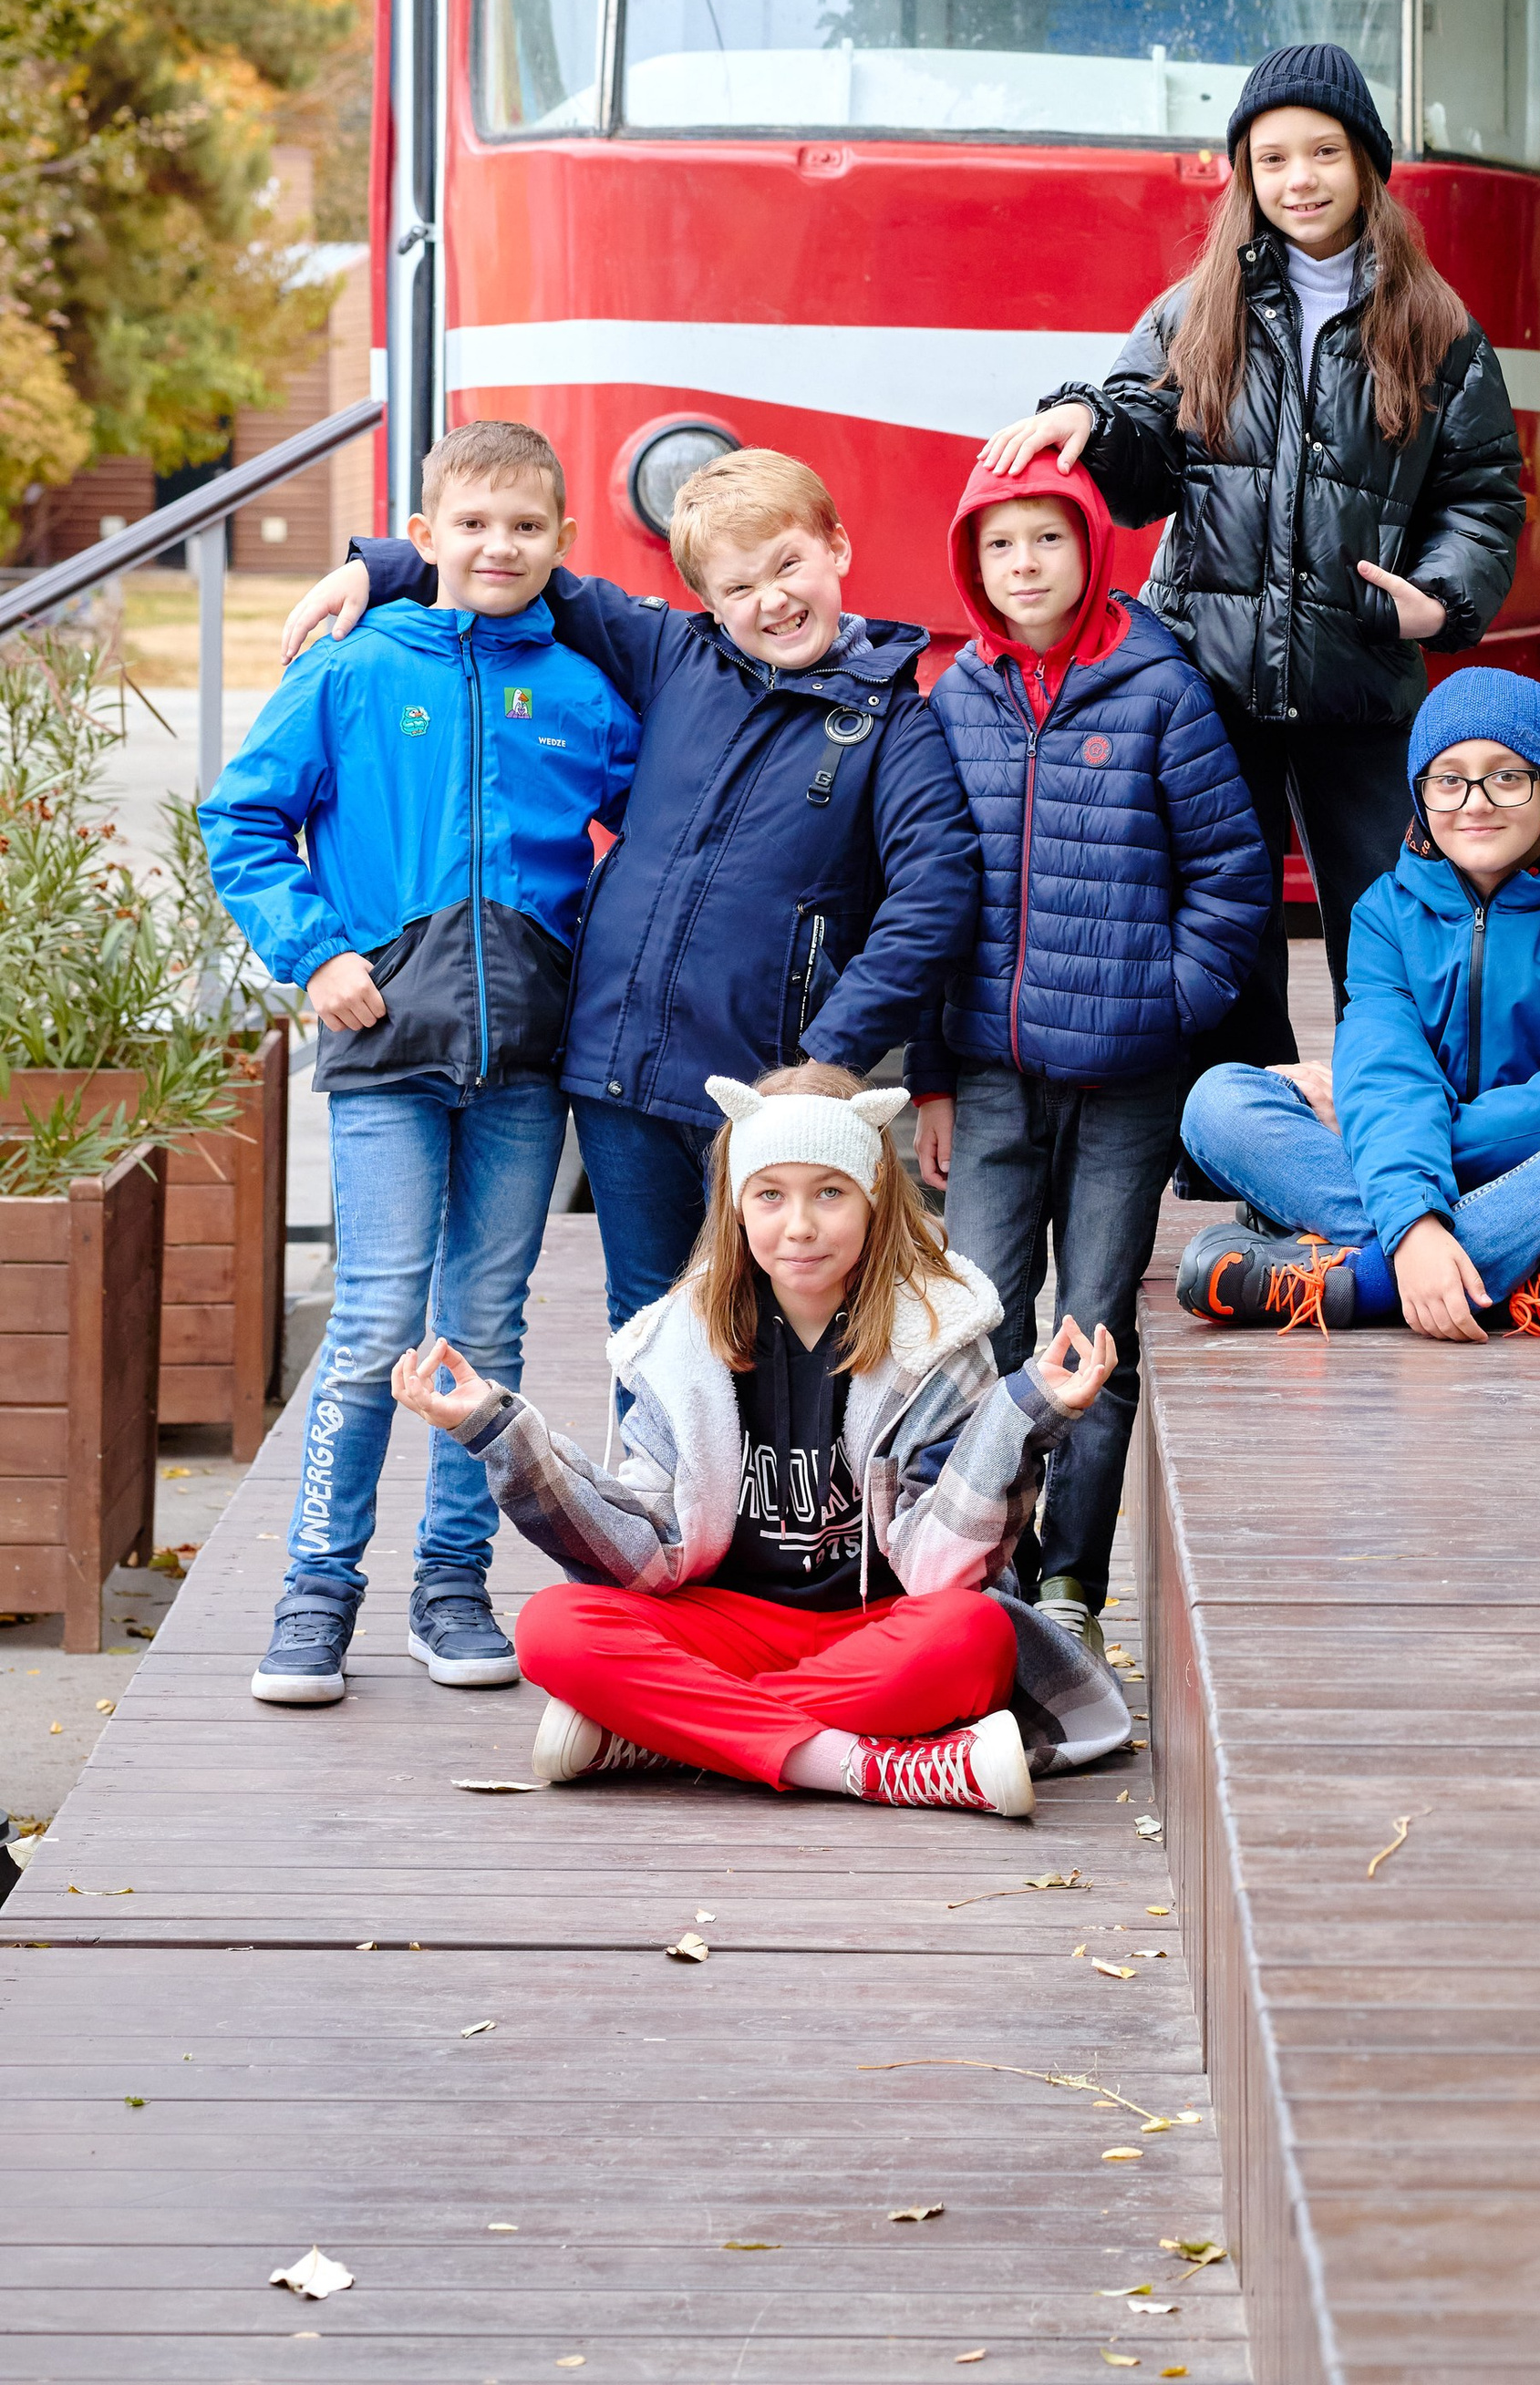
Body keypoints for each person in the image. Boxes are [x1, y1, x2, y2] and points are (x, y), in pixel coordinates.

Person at [279, 447, 981, 1332]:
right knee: (647, 1328)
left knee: (779, 1318)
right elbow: (518, 571)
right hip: (616, 1078)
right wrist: (380, 567)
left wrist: (829, 1058)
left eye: (789, 566)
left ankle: (772, 1478)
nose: (771, 601)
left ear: (836, 546)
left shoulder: (893, 725)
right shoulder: (673, 654)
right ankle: (653, 1481)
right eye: (738, 588)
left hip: (768, 1087)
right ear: (709, 603)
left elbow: (934, 897)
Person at [981, 38, 1524, 1086]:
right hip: (1206, 672)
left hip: (1361, 672)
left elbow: (1483, 494)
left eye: (1322, 152)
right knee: (1223, 908)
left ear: (1367, 165)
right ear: (1245, 174)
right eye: (1272, 159)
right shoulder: (1193, 311)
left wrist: (1438, 602)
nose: (1299, 179)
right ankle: (1238, 1130)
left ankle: (1389, 1114)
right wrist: (1086, 421)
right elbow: (1141, 461)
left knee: (1387, 915)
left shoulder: (1438, 327)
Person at [202, 420, 639, 1707]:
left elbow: (662, 834)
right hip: (384, 1047)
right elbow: (241, 818)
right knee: (374, 1321)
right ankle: (316, 1587)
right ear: (425, 535)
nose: (496, 547)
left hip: (524, 1070)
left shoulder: (581, 694)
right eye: (471, 524)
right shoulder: (353, 666)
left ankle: (450, 1584)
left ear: (561, 544)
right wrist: (315, 951)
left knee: (481, 1331)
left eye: (523, 528)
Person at [388, 1065, 1132, 1815]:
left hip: (880, 1624)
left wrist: (1017, 1413)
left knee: (973, 1633)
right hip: (728, 1619)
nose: (799, 1225)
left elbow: (941, 1570)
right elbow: (643, 1551)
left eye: (829, 1192)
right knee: (554, 1628)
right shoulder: (679, 1343)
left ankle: (662, 1733)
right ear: (738, 1206)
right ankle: (875, 1768)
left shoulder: (938, 1336)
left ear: (874, 1199)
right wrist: (500, 1430)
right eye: (770, 1194)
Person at [908, 448, 1272, 1657]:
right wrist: (930, 1079)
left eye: (1047, 539)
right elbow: (927, 893)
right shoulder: (958, 698)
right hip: (993, 1075)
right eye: (1000, 545)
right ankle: (988, 1561)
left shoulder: (1159, 691)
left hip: (1126, 1076)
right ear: (974, 564)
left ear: (1090, 548)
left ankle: (1073, 1576)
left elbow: (1232, 874)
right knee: (986, 1330)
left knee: (1093, 1332)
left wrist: (1172, 1004)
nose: (1025, 564)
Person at [1170, 670, 1540, 1336]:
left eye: (1507, 777)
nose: (1474, 802)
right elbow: (1388, 1065)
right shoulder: (1384, 915)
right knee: (1219, 1100)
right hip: (1452, 1196)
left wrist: (1387, 1140)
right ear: (1420, 794)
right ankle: (1530, 1282)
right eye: (1448, 779)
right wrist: (1410, 1201)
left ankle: (1364, 1278)